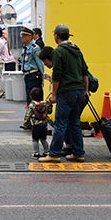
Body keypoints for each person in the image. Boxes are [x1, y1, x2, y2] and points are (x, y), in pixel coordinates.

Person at [39, 24, 90, 163]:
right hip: (80, 91)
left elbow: (57, 75)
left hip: (66, 92)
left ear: (56, 36)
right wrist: (86, 90)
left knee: (60, 124)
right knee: (75, 123)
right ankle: (78, 153)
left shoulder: (59, 51)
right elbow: (85, 72)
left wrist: (54, 94)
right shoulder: (77, 50)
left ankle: (54, 153)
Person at [24, 87, 50, 159]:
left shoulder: (32, 105)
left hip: (36, 125)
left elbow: (28, 115)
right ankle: (46, 151)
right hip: (44, 125)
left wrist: (26, 124)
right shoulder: (45, 104)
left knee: (35, 140)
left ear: (31, 97)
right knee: (43, 139)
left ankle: (36, 153)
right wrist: (49, 105)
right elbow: (49, 111)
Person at [21, 28, 44, 99]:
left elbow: (40, 64)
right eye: (22, 35)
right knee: (28, 96)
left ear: (30, 37)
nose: (22, 37)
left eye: (24, 35)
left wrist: (43, 78)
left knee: (34, 96)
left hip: (33, 75)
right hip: (27, 75)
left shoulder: (35, 48)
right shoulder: (25, 48)